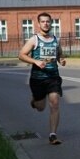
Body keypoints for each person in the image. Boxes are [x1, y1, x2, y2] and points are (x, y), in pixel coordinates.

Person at [18, 12, 67, 145]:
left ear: (51, 23)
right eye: (43, 21)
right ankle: (35, 101)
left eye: (48, 21)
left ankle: (52, 134)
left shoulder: (56, 39)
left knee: (55, 102)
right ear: (38, 24)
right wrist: (35, 61)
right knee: (40, 107)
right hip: (38, 79)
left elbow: (60, 55)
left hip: (53, 77)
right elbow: (21, 55)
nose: (46, 24)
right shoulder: (34, 39)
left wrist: (61, 60)